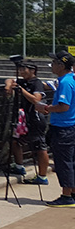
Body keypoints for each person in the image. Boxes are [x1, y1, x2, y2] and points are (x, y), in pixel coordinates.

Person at [28, 51, 75, 207]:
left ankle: (67, 195)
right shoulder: (70, 80)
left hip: (64, 128)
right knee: (69, 161)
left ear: (61, 65)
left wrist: (46, 108)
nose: (52, 66)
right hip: (69, 127)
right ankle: (71, 192)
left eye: (54, 63)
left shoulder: (65, 82)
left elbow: (64, 106)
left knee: (64, 162)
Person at [5, 60, 50, 185]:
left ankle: (42, 176)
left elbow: (36, 100)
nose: (20, 72)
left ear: (32, 70)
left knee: (40, 147)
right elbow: (9, 80)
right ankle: (19, 166)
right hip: (25, 119)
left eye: (23, 69)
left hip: (36, 118)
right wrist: (9, 86)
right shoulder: (23, 81)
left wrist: (21, 90)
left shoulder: (37, 83)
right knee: (16, 141)